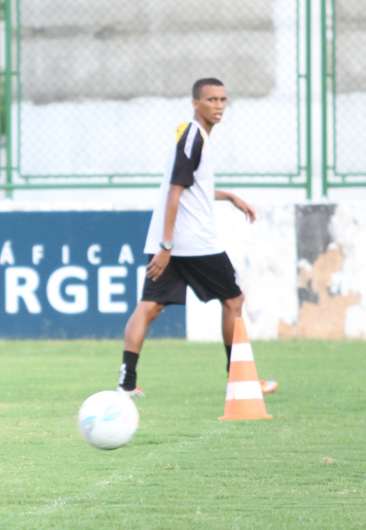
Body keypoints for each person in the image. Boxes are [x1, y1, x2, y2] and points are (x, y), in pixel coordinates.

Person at [117, 78, 277, 398]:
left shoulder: (192, 137)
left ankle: (126, 383)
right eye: (211, 100)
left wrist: (228, 196)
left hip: (172, 240)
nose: (218, 106)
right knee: (233, 300)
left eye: (223, 99)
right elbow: (175, 193)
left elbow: (190, 189)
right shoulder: (193, 136)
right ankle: (240, 380)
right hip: (191, 242)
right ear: (195, 103)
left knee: (150, 306)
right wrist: (167, 246)